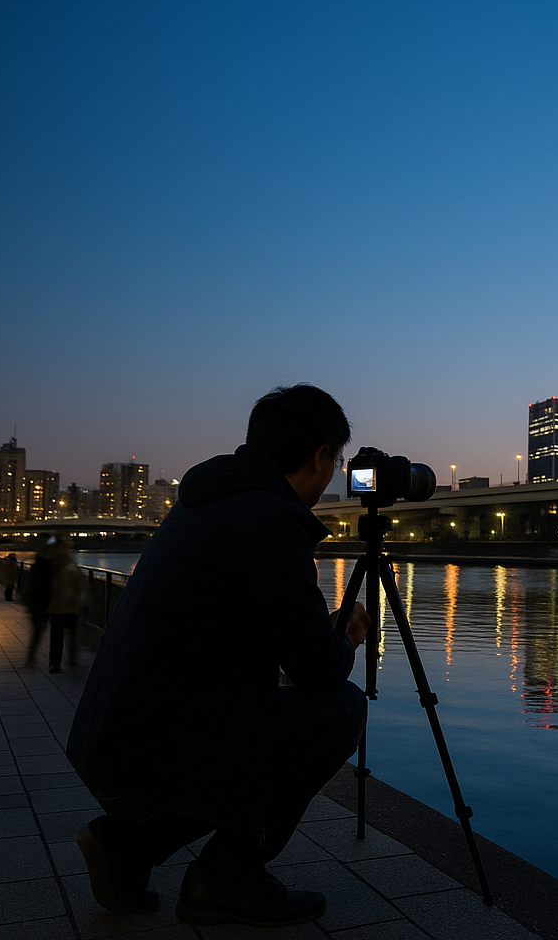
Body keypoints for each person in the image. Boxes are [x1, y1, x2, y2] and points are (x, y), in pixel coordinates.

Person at [67, 384, 370, 928]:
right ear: (321, 456)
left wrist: (314, 635)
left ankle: (129, 846)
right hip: (156, 744)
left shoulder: (207, 502)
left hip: (113, 736)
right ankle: (227, 879)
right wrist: (344, 640)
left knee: (257, 724)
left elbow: (244, 626)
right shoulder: (271, 518)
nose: (332, 476)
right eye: (336, 462)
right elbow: (317, 669)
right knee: (341, 709)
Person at [47, 536, 84, 672]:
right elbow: (80, 587)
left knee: (59, 636)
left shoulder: (56, 566)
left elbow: (80, 587)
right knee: (64, 635)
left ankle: (58, 661)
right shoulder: (70, 567)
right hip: (62, 607)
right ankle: (62, 661)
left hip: (63, 606)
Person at [24, 537, 58, 666]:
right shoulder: (46, 566)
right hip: (41, 603)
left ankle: (31, 657)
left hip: (36, 603)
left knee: (38, 631)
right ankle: (31, 658)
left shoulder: (37, 565)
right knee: (39, 630)